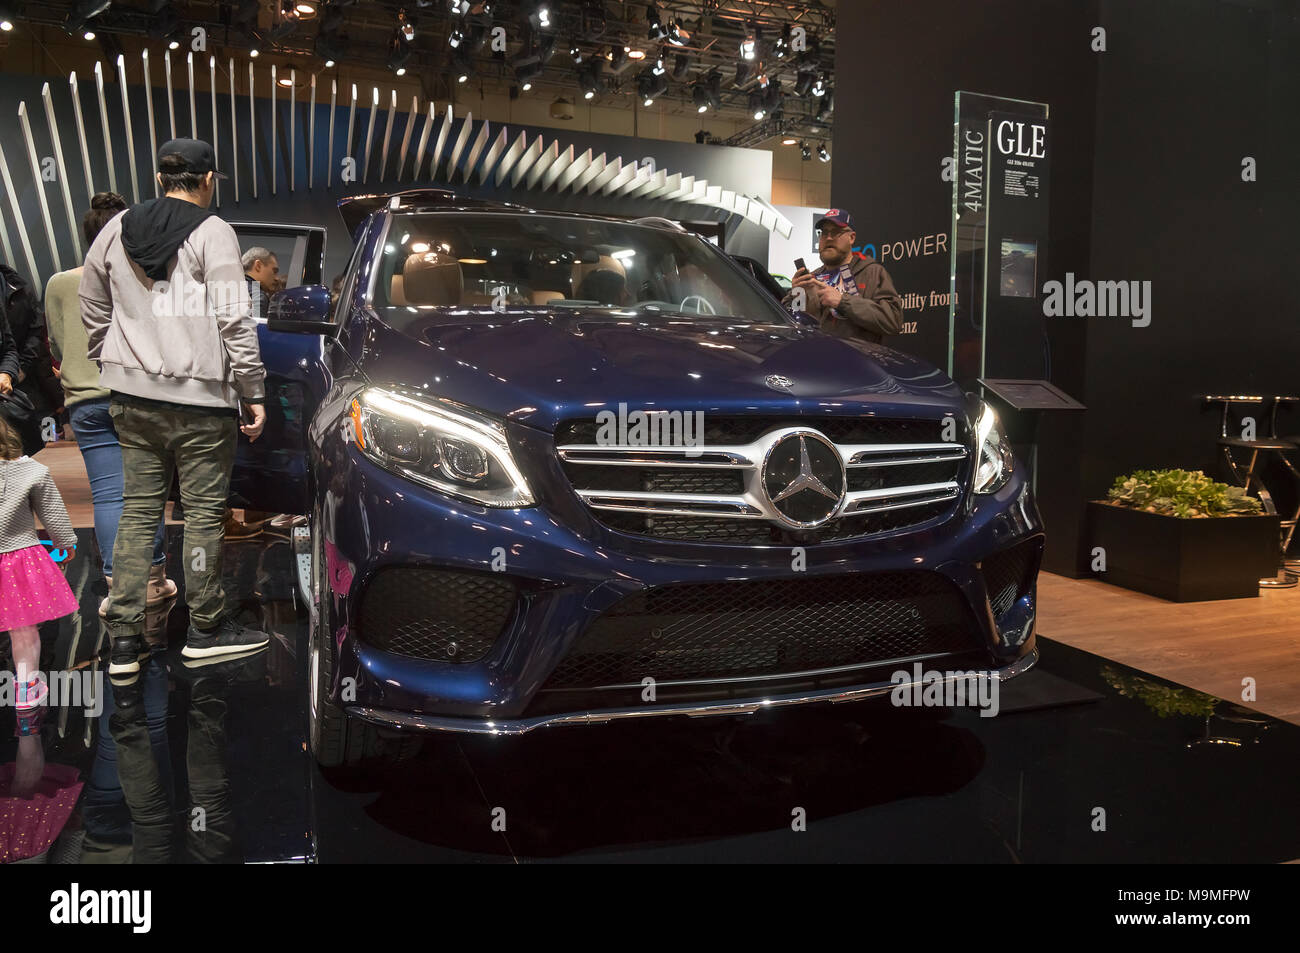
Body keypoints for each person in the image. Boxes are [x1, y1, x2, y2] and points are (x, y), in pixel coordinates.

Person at [80, 137, 270, 675]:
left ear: (160, 177)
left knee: (139, 511)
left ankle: (123, 640)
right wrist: (253, 390)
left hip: (131, 397)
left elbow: (92, 302)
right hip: (202, 402)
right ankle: (206, 627)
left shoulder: (115, 229)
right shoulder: (214, 232)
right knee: (205, 515)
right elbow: (236, 319)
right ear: (209, 180)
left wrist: (112, 357)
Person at [45, 192, 177, 616]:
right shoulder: (140, 279)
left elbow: (55, 343)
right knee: (144, 492)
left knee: (107, 494)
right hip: (134, 394)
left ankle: (116, 585)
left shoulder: (60, 283)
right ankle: (152, 582)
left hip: (84, 400)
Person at [0, 415, 79, 710]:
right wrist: (65, 542)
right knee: (23, 630)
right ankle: (26, 688)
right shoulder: (31, 470)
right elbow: (53, 512)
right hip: (18, 558)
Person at [785, 208, 904, 344]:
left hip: (856, 363)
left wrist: (843, 302)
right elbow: (787, 325)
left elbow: (893, 321)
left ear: (851, 237)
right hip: (814, 360)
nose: (828, 237)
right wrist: (797, 295)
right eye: (824, 233)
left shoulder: (872, 273)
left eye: (836, 232)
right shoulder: (811, 278)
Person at [0, 262, 64, 441]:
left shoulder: (16, 287)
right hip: (9, 382)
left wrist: (20, 368)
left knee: (47, 428)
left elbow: (36, 331)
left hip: (30, 375)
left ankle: (51, 448)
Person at [241, 246, 279, 321]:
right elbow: (255, 331)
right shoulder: (257, 296)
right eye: (274, 271)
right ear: (258, 265)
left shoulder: (228, 289)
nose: (276, 278)